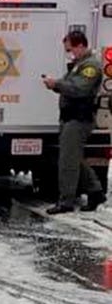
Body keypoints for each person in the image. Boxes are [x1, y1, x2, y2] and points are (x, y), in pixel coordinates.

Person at [42, 30, 107, 214]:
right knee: (74, 158)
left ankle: (66, 202)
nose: (70, 53)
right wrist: (55, 85)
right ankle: (95, 191)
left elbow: (80, 88)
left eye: (71, 49)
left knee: (67, 163)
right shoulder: (78, 65)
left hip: (79, 118)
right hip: (70, 117)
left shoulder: (90, 66)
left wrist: (57, 84)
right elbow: (68, 86)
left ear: (80, 46)